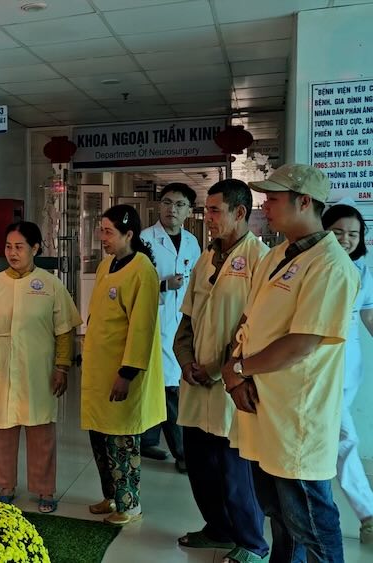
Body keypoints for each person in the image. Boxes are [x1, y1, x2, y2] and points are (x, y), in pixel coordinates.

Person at [222, 164, 358, 563]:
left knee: (311, 522)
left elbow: (302, 343)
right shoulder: (279, 253)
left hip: (297, 414)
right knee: (279, 515)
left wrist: (241, 370)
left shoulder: (332, 266)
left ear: (304, 202)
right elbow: (251, 319)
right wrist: (233, 371)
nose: (265, 207)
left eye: (274, 199)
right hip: (263, 404)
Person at [173, 180, 270, 563]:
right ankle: (215, 528)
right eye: (207, 211)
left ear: (239, 213)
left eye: (215, 211)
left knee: (235, 471)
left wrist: (217, 370)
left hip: (228, 383)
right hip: (196, 382)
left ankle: (252, 543)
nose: (207, 218)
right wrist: (185, 361)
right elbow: (187, 319)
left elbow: (253, 328)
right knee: (199, 464)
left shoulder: (259, 260)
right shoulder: (204, 257)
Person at [0, 221, 81, 514]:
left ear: (35, 248)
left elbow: (64, 330)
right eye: (8, 247)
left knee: (41, 428)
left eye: (19, 247)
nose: (12, 253)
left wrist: (62, 367)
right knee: (1, 426)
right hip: (0, 366)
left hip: (38, 368)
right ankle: (5, 485)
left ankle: (45, 488)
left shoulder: (50, 285)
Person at [82, 204, 165, 526]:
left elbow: (141, 327)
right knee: (101, 438)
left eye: (108, 232)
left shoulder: (142, 270)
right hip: (99, 370)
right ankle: (111, 495)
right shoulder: (106, 266)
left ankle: (129, 504)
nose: (102, 237)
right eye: (100, 230)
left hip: (121, 372)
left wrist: (126, 373)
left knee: (121, 440)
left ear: (128, 234)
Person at [140, 182, 202, 471]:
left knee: (166, 384)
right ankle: (183, 454)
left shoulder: (192, 241)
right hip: (157, 321)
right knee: (169, 388)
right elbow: (135, 283)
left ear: (189, 210)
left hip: (184, 321)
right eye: (166, 203)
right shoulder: (145, 239)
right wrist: (165, 284)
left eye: (179, 205)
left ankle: (148, 440)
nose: (171, 209)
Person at [322, 202, 373, 544]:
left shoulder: (363, 269)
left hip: (347, 361)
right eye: (338, 232)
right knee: (341, 437)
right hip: (317, 358)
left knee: (336, 436)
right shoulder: (316, 266)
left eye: (353, 234)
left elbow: (368, 315)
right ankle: (367, 513)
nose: (346, 239)